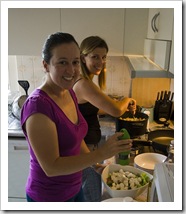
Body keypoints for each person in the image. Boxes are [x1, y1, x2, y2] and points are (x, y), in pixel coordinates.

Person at [20, 32, 132, 202]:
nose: (71, 70)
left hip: (74, 188)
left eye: (75, 62)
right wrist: (101, 153)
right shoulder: (38, 107)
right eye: (62, 62)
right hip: (49, 197)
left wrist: (95, 166)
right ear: (46, 65)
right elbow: (51, 167)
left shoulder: (68, 93)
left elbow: (77, 137)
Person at [73, 36, 136, 202]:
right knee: (91, 200)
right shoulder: (84, 84)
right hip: (84, 151)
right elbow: (116, 110)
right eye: (95, 56)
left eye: (103, 57)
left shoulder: (84, 81)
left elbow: (88, 109)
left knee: (89, 196)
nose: (101, 61)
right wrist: (127, 100)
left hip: (86, 151)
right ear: (82, 57)